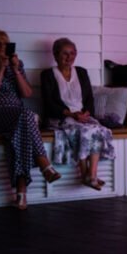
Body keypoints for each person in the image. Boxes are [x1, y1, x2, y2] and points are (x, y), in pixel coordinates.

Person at [0, 30, 61, 211]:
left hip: (18, 115)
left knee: (21, 134)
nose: (1, 48)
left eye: (5, 44)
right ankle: (43, 164)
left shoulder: (18, 65)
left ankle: (21, 197)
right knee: (28, 117)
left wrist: (14, 69)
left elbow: (27, 93)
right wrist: (1, 70)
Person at [40, 38, 114, 190]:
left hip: (81, 116)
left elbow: (89, 99)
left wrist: (85, 113)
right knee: (87, 130)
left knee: (101, 130)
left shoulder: (81, 72)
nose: (69, 57)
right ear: (55, 55)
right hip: (60, 117)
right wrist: (72, 115)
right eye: (65, 53)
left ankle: (89, 175)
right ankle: (88, 175)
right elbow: (49, 104)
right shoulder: (47, 75)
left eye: (72, 53)